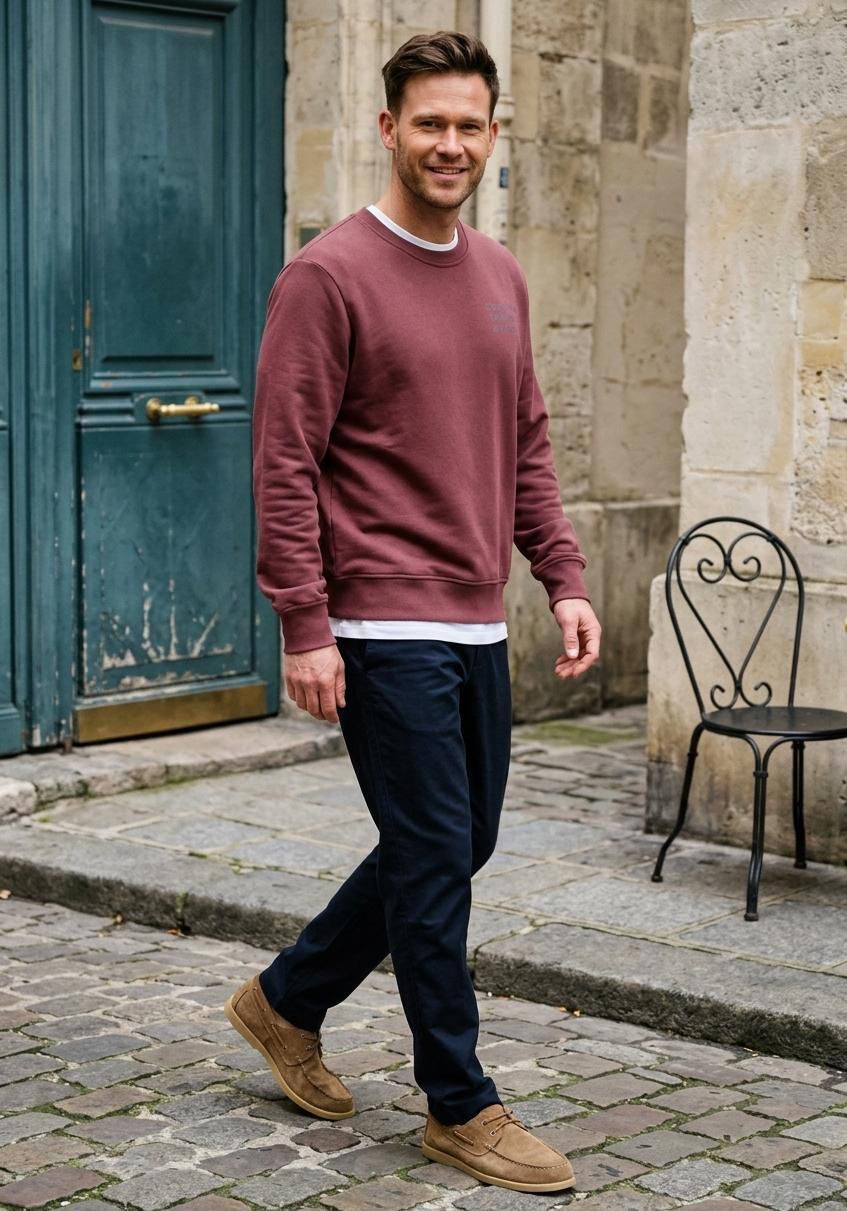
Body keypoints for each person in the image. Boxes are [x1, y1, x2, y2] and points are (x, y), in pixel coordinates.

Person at [225, 30, 601, 1193]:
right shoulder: (327, 275)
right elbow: (284, 461)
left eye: (467, 124)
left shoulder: (499, 274)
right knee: (436, 857)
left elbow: (524, 441)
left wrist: (563, 574)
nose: (449, 143)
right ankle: (459, 1101)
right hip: (380, 623)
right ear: (387, 127)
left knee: (454, 841)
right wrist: (304, 622)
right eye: (428, 122)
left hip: (474, 616)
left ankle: (286, 997)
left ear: (492, 135)